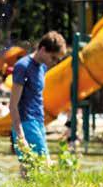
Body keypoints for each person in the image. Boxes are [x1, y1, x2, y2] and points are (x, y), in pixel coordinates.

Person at [8, 31, 66, 175]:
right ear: (43, 49)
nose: (54, 62)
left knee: (29, 170)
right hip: (26, 122)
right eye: (53, 57)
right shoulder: (23, 66)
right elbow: (13, 105)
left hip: (38, 121)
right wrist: (20, 136)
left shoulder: (43, 67)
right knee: (43, 166)